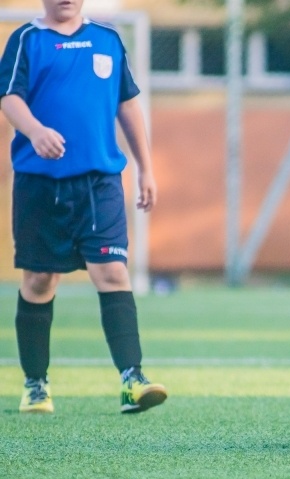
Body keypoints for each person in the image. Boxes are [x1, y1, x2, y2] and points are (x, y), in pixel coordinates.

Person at [0, 0, 167, 414]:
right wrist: (35, 132)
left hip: (100, 182)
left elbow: (127, 104)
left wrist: (146, 168)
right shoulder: (26, 39)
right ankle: (35, 384)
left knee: (112, 271)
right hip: (41, 186)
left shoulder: (107, 39)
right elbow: (9, 97)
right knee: (40, 280)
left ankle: (132, 378)